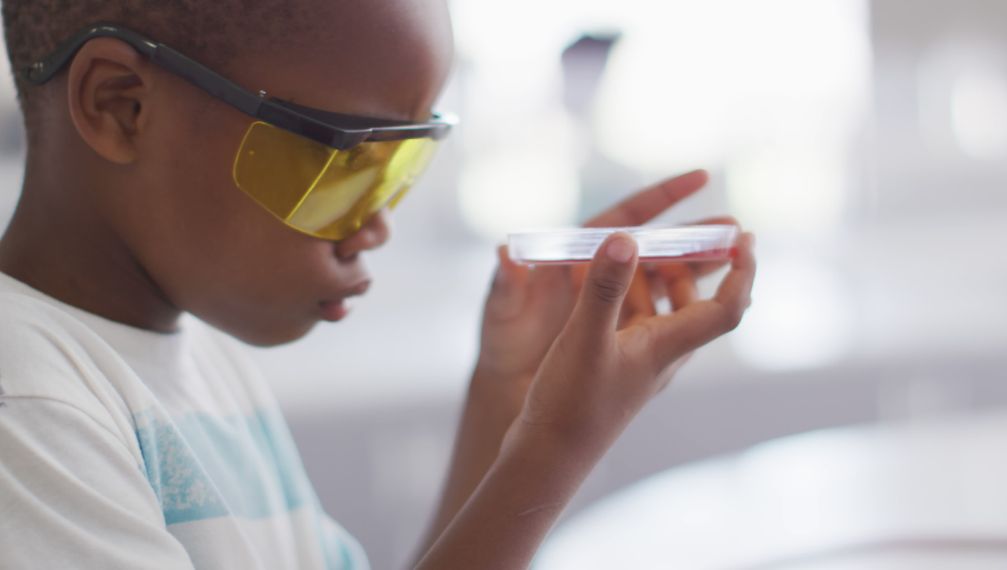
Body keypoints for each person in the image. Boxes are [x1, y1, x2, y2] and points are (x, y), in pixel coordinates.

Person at [0, 1, 756, 568]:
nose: (376, 225)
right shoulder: (29, 408)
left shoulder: (197, 364)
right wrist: (556, 449)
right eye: (343, 163)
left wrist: (510, 399)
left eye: (402, 167)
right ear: (120, 106)